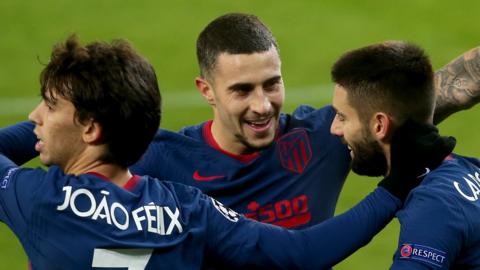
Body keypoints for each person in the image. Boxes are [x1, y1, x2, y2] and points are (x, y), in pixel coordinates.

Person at [0, 35, 454, 269]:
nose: (38, 116)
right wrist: (395, 187)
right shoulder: (188, 210)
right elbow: (304, 254)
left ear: (92, 126)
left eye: (51, 105)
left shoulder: (36, 197)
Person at [329, 41, 480, 269]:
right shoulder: (470, 169)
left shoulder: (433, 208)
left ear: (380, 125)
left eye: (342, 117)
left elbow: (301, 250)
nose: (334, 128)